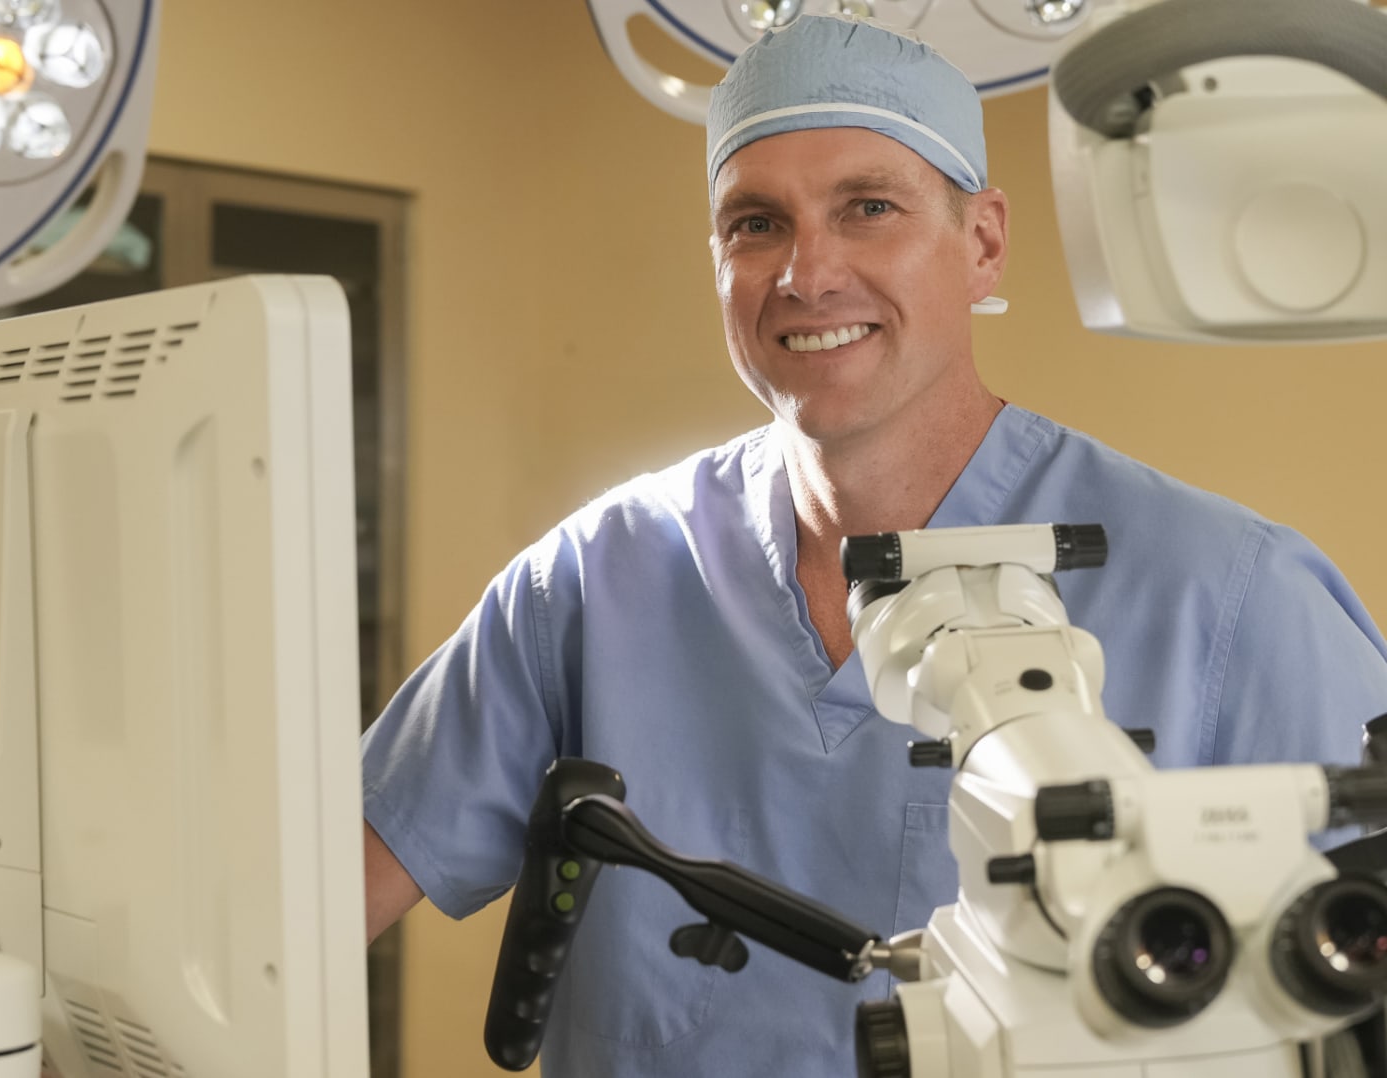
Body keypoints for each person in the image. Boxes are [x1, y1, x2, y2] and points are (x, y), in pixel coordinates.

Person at [359, 13, 1387, 1078]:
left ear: (982, 240)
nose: (808, 273)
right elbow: (299, 914)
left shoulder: (1228, 597)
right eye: (756, 224)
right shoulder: (591, 583)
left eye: (869, 208)